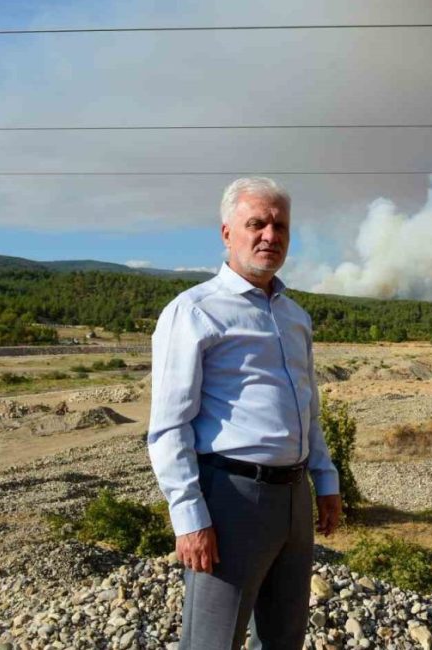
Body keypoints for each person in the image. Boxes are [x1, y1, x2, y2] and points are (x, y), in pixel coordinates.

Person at [148, 177, 342, 649]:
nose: (269, 236)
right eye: (256, 224)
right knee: (212, 641)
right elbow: (170, 426)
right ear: (227, 233)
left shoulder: (295, 317)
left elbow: (307, 406)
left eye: (280, 226)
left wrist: (327, 479)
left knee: (284, 639)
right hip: (232, 498)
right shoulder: (194, 312)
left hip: (294, 497)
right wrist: (189, 517)